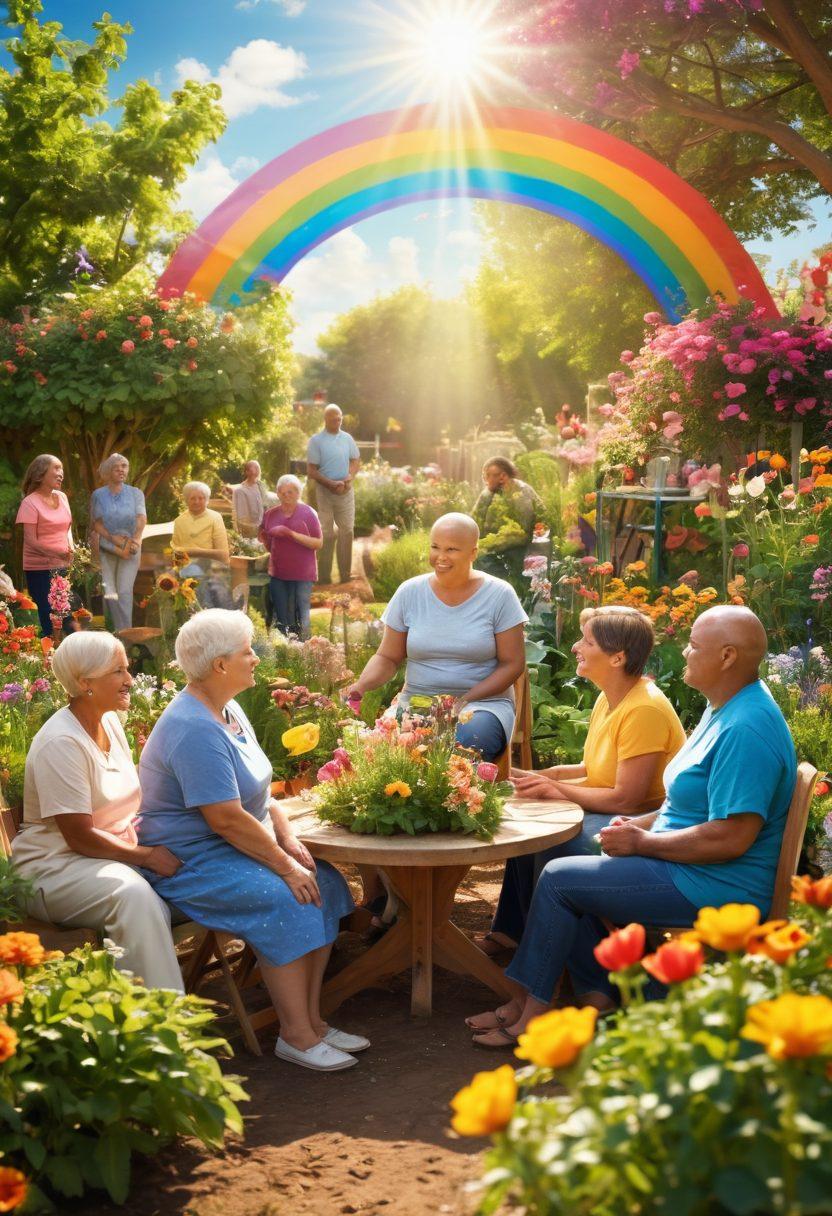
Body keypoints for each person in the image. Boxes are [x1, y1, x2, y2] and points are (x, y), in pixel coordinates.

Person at [467, 605, 797, 1046]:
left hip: (716, 884)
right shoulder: (723, 707)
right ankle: (566, 994)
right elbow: (685, 803)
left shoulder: (746, 729)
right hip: (687, 864)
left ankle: (533, 1009)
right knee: (563, 861)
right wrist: (635, 824)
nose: (684, 652)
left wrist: (641, 842)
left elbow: (731, 837)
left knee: (561, 878)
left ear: (727, 657)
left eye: (695, 646)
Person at [136, 609, 365, 1072]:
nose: (256, 658)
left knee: (328, 885)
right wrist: (284, 864)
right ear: (220, 665)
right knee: (287, 898)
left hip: (240, 842)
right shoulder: (192, 727)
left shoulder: (228, 709)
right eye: (247, 651)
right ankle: (295, 1035)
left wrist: (286, 834)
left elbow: (258, 794)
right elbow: (224, 819)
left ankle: (313, 1021)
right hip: (193, 861)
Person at [476, 605, 686, 961]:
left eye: (587, 642)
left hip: (644, 821)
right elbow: (592, 766)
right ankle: (515, 933)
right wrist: (537, 778)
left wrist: (555, 791)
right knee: (526, 828)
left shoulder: (643, 709)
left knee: (552, 844)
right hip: (618, 808)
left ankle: (581, 968)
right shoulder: (611, 696)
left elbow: (628, 800)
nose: (575, 647)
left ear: (617, 657)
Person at [11, 632, 184, 990]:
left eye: (127, 668)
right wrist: (147, 855)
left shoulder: (109, 722)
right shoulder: (62, 741)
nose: (129, 679)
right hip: (54, 867)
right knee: (133, 896)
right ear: (84, 682)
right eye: (117, 671)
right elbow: (79, 837)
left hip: (104, 856)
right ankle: (158, 1027)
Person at [347, 512, 527, 762]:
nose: (441, 557)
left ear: (473, 553)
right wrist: (360, 686)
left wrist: (463, 701)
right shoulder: (410, 592)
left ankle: (461, 800)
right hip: (418, 703)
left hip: (481, 705)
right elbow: (388, 656)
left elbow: (513, 663)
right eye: (435, 547)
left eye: (452, 549)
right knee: (381, 754)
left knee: (468, 740)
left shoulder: (499, 595)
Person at [15, 454, 77, 637]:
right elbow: (32, 541)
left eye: (62, 469)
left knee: (67, 613)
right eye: (56, 468)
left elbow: (68, 528)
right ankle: (50, 657)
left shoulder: (62, 497)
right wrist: (59, 552)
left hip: (63, 566)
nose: (61, 474)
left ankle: (72, 655)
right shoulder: (29, 503)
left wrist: (71, 548)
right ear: (40, 474)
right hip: (39, 570)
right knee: (50, 616)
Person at [259, 474, 322, 639]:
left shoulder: (308, 513)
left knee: (301, 616)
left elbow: (318, 543)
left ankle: (304, 650)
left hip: (302, 574)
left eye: (291, 492)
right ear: (278, 493)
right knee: (282, 616)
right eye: (283, 492)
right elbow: (265, 538)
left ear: (298, 493)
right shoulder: (270, 514)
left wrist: (290, 534)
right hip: (278, 572)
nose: (287, 495)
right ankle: (283, 650)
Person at [89, 453, 147, 633]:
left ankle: (125, 637)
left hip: (130, 548)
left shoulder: (136, 493)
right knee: (110, 594)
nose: (121, 470)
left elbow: (141, 519)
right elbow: (96, 523)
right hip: (107, 548)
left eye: (124, 466)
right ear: (108, 471)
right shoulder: (98, 495)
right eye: (117, 467)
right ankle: (110, 635)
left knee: (123, 592)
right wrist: (113, 540)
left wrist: (135, 542)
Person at [306, 405, 360, 585]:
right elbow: (312, 471)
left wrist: (348, 478)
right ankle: (324, 577)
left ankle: (345, 575)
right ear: (326, 420)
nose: (337, 422)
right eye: (333, 419)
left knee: (347, 531)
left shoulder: (347, 439)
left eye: (339, 419)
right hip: (325, 492)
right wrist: (330, 484)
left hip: (345, 491)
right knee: (327, 533)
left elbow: (355, 460)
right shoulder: (316, 441)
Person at [472, 457, 544, 590]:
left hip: (520, 547)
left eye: (489, 475)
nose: (486, 479)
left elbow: (526, 525)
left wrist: (502, 539)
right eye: (485, 475)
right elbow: (475, 519)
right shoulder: (487, 494)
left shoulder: (522, 491)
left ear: (503, 476)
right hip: (492, 547)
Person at [172, 481, 231, 607]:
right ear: (186, 500)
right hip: (185, 573)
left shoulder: (215, 518)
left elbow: (224, 555)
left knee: (195, 575)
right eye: (193, 498)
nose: (197, 501)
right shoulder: (179, 521)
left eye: (201, 498)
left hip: (211, 570)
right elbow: (176, 553)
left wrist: (193, 551)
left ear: (207, 500)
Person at [232, 460, 267, 538]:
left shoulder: (261, 485)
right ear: (247, 472)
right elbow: (239, 514)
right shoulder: (240, 490)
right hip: (248, 529)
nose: (257, 471)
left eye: (258, 468)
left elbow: (265, 503)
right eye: (254, 469)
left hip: (262, 526)